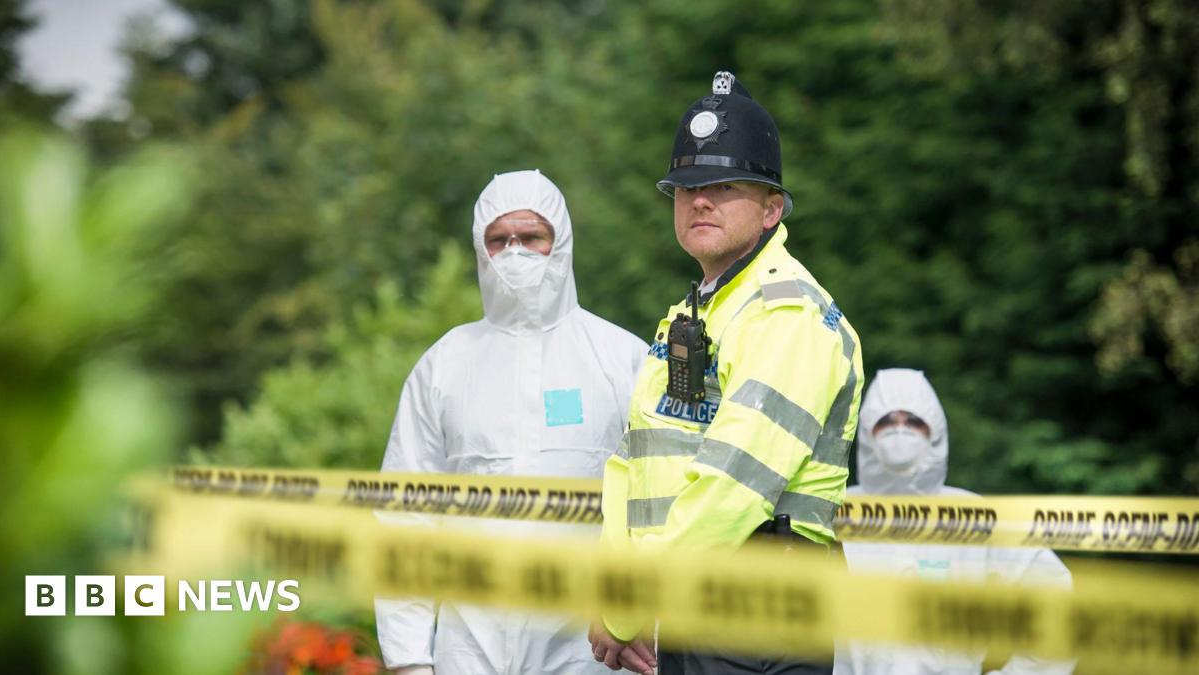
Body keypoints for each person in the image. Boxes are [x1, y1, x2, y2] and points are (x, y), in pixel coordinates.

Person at [589, 71, 864, 675]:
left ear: (772, 209)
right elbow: (632, 462)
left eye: (723, 185)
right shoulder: (698, 311)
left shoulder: (788, 312)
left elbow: (735, 482)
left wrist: (631, 603)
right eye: (685, 189)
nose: (699, 201)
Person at [375, 169, 647, 675]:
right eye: (498, 240)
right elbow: (405, 518)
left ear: (560, 242)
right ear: (480, 249)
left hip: (593, 648)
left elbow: (660, 507)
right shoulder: (445, 365)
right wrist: (409, 657)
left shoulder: (623, 359)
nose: (514, 252)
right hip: (469, 647)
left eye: (531, 237)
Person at [833, 368, 1075, 675]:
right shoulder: (836, 513)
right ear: (867, 432)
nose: (900, 430)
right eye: (886, 421)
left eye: (913, 421)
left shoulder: (973, 516)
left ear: (935, 431)